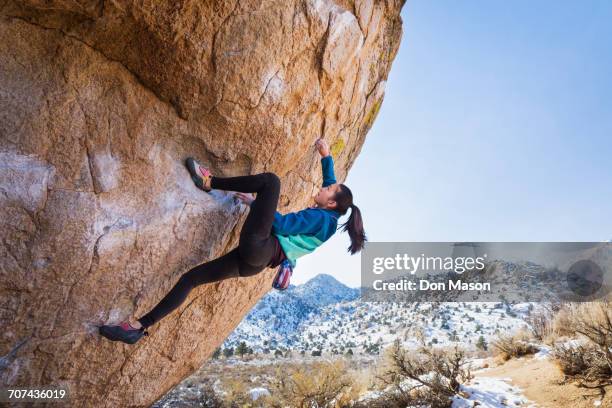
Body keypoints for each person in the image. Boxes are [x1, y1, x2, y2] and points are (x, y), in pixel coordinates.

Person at [98, 138, 366, 344]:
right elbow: (332, 184)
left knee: (271, 182)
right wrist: (326, 155)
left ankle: (208, 181)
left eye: (328, 190)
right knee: (190, 279)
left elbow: (282, 225)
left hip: (262, 247)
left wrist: (257, 203)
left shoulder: (321, 220)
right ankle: (137, 327)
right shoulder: (330, 216)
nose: (324, 187)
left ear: (331, 203)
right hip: (254, 264)